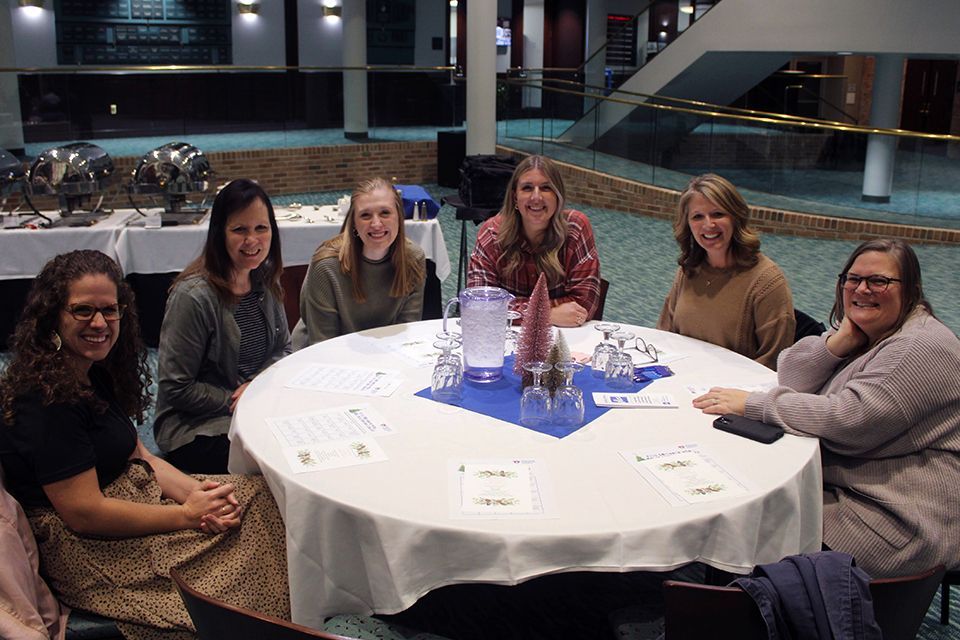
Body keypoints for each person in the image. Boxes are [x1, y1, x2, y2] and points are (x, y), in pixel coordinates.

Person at [0, 250, 289, 640]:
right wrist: (188, 515)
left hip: (134, 497)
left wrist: (198, 492)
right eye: (83, 311)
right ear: (53, 314)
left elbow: (140, 455)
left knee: (264, 497)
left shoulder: (89, 369)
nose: (100, 323)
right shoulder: (46, 400)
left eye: (110, 309)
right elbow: (84, 512)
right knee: (240, 575)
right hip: (90, 548)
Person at [694, 239, 960, 577]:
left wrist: (754, 404)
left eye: (879, 281)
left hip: (898, 516)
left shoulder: (917, 346)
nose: (862, 289)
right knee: (743, 501)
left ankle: (730, 614)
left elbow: (848, 420)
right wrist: (838, 342)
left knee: (749, 520)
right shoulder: (867, 329)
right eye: (853, 279)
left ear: (910, 290)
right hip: (854, 483)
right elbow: (790, 377)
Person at [155, 179, 291, 473]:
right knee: (281, 459)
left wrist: (257, 385)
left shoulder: (265, 278)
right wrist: (238, 399)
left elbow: (283, 348)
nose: (252, 240)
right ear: (219, 233)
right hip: (198, 426)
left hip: (257, 407)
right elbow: (176, 387)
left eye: (261, 228)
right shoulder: (192, 297)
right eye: (239, 230)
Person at [657, 173, 795, 369]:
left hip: (733, 393)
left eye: (717, 214)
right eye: (697, 217)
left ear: (735, 217)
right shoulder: (688, 269)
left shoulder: (767, 281)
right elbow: (664, 336)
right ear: (688, 224)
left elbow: (774, 363)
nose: (708, 225)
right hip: (682, 380)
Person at [466, 155, 601, 327]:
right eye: (527, 188)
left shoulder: (576, 227)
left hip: (564, 339)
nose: (536, 197)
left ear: (558, 195)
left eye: (546, 188)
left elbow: (583, 304)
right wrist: (545, 315)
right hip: (504, 340)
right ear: (515, 197)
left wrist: (509, 308)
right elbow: (480, 304)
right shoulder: (492, 234)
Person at [291, 177, 426, 348]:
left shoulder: (414, 258)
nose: (376, 223)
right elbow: (323, 344)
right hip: (324, 354)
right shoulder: (326, 265)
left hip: (384, 352)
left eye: (385, 212)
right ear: (354, 222)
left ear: (399, 217)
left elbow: (407, 330)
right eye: (365, 215)